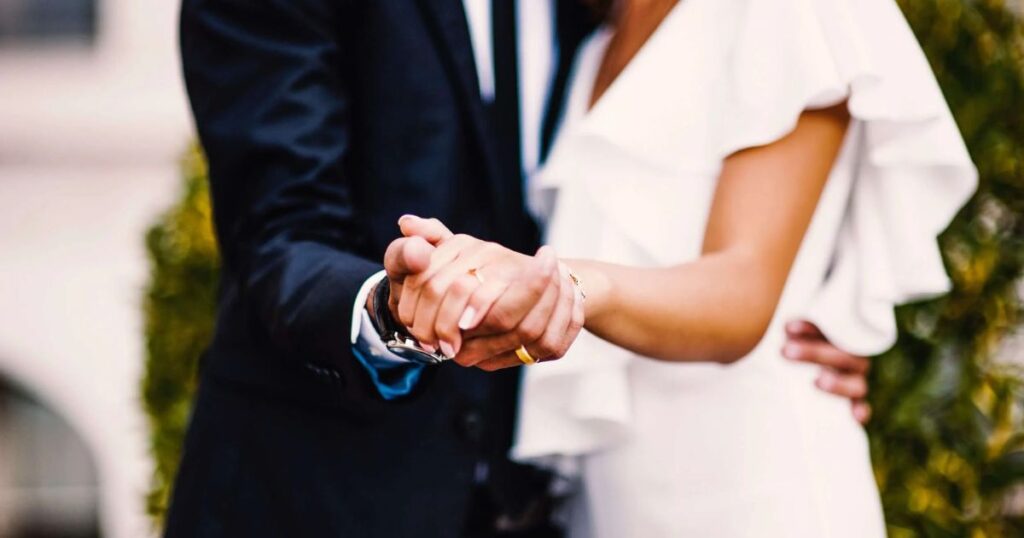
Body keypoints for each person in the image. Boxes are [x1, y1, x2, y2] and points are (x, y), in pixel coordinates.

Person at [165, 0, 875, 536]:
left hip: (728, 480)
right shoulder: (612, 17)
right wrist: (390, 307)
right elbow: (281, 227)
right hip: (332, 495)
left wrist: (816, 326)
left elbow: (746, 279)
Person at [391, 0, 977, 537]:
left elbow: (742, 289)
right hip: (614, 503)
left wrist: (563, 285)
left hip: (752, 487)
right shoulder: (595, 34)